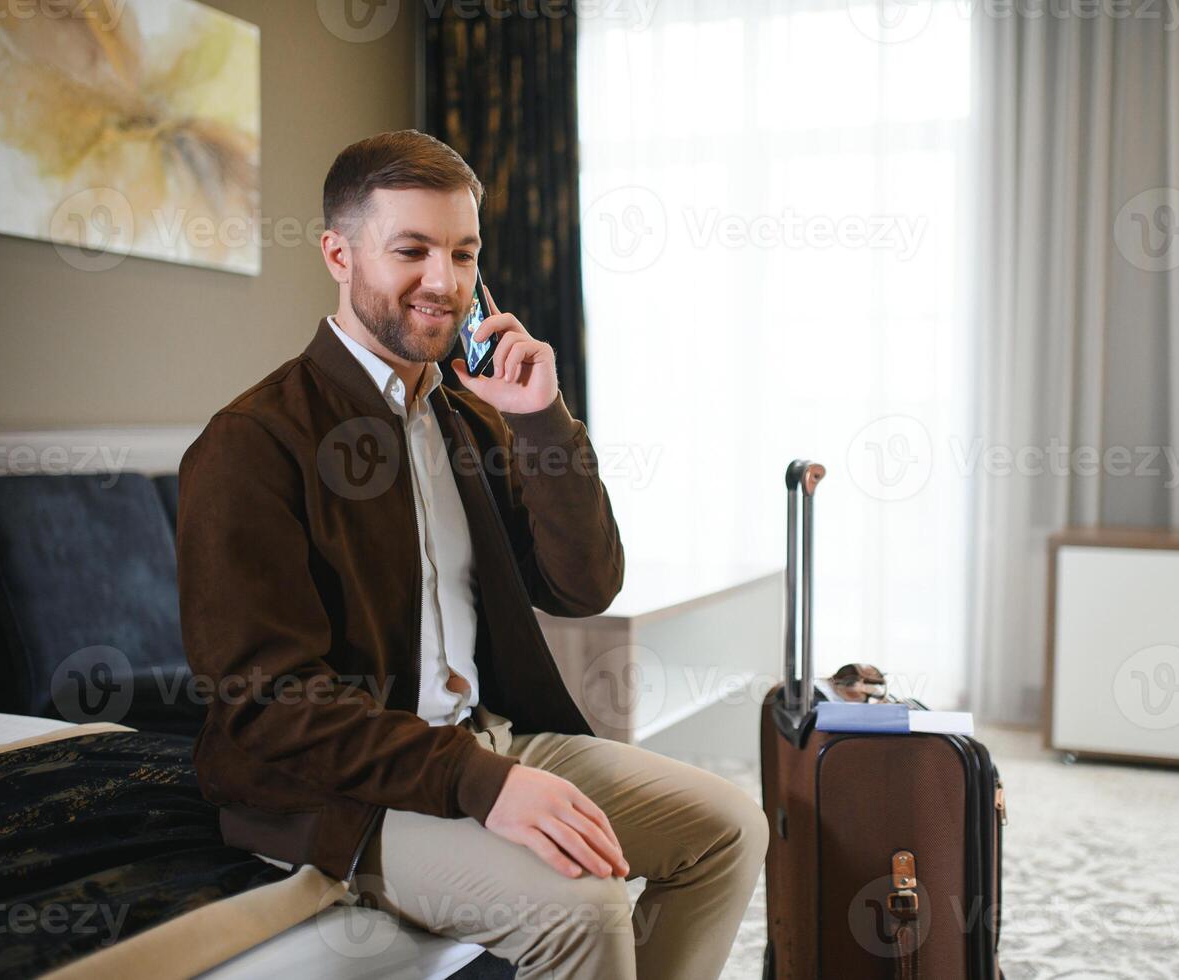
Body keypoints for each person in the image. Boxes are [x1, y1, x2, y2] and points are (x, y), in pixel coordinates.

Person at [177, 129, 768, 979]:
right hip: (337, 791)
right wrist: (481, 785)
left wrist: (540, 419)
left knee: (727, 829)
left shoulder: (471, 421)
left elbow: (584, 586)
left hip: (483, 741)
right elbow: (267, 703)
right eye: (411, 250)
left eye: (463, 252)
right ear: (338, 254)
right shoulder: (253, 442)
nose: (443, 283)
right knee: (586, 907)